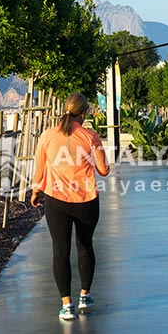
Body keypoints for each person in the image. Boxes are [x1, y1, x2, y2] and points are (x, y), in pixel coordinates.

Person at [30, 93, 110, 320]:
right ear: (84, 113)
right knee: (85, 246)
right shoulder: (90, 136)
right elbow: (104, 170)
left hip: (56, 202)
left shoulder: (47, 136)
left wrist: (36, 191)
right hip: (87, 201)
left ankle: (67, 306)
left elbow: (40, 169)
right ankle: (85, 296)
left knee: (60, 251)